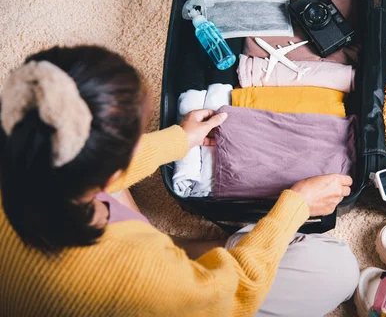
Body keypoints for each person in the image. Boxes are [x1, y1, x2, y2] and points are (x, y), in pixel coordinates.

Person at [0, 46, 359, 316]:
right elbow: (229, 297)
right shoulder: (142, 272)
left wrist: (178, 140)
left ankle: (186, 245)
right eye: (138, 139)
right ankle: (200, 249)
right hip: (141, 290)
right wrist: (295, 206)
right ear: (108, 175)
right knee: (337, 270)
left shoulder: (22, 144)